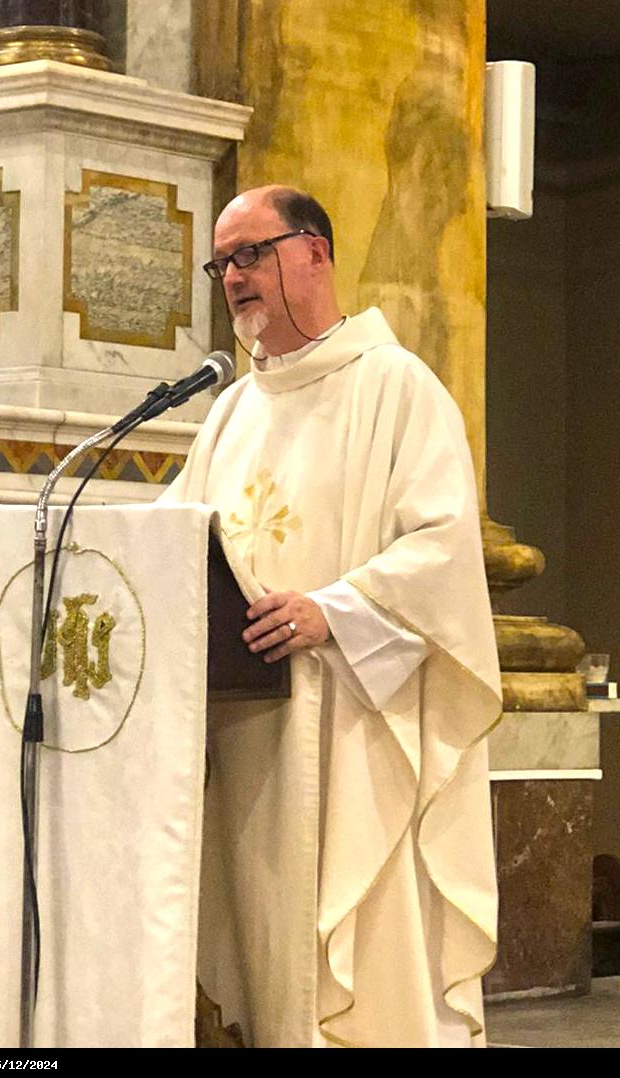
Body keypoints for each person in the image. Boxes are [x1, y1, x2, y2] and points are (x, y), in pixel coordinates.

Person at [161, 186, 500, 1047]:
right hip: (245, 735)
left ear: (315, 252)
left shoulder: (396, 388)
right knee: (259, 956)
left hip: (351, 727)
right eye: (221, 263)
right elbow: (170, 543)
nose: (233, 277)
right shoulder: (231, 411)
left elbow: (445, 550)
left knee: (360, 955)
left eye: (251, 254)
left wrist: (332, 611)